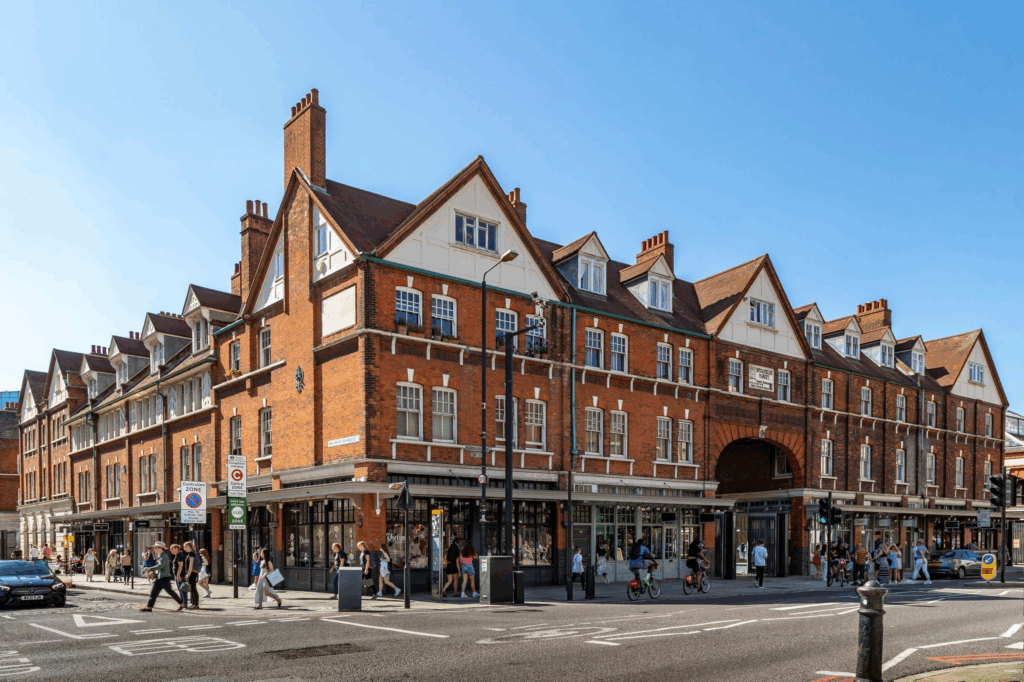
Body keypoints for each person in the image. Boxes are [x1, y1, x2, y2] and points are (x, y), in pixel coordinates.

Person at [139, 542, 184, 612]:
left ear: (161, 548)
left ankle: (181, 603)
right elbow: (158, 567)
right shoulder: (160, 556)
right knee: (154, 592)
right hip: (159, 577)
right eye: (155, 547)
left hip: (164, 578)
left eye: (156, 547)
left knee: (170, 592)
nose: (155, 549)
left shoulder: (164, 556)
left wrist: (149, 568)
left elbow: (160, 566)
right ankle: (149, 607)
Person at [182, 541, 201, 609]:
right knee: (192, 588)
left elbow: (191, 564)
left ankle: (196, 604)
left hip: (192, 573)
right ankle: (193, 604)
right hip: (193, 572)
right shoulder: (192, 553)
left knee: (193, 588)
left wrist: (188, 573)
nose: (184, 549)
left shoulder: (191, 553)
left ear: (188, 546)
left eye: (185, 547)